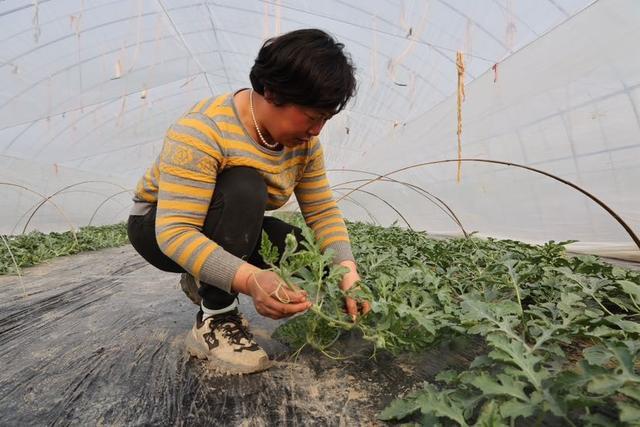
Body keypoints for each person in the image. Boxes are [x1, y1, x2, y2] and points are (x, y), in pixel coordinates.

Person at [127, 28, 369, 375]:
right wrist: (252, 280)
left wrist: (348, 274)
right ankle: (215, 318)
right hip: (157, 227)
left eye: (325, 120)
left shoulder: (304, 146)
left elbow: (322, 211)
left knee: (299, 251)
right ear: (272, 91)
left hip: (223, 221)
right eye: (313, 117)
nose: (317, 131)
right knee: (245, 184)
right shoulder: (203, 129)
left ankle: (205, 275)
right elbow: (176, 232)